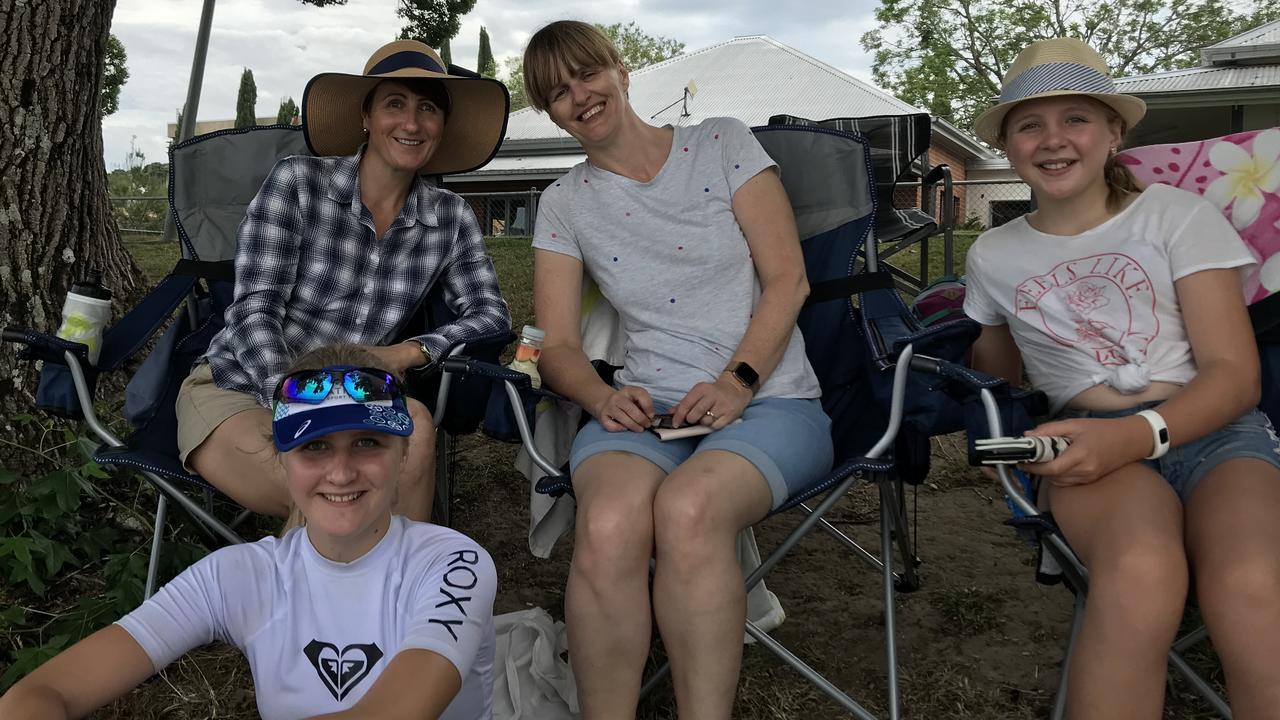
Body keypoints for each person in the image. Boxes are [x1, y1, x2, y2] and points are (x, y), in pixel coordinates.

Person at [522, 20, 833, 719]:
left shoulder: (721, 143)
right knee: (606, 525)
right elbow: (556, 344)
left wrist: (736, 383)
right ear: (550, 111)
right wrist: (601, 398)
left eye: (587, 74)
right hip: (647, 408)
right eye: (558, 91)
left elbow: (788, 281)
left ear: (621, 71)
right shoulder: (564, 204)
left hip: (769, 400)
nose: (580, 95)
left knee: (689, 511)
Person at [965, 37, 1280, 719]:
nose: (1053, 140)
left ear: (1114, 133)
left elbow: (1235, 375)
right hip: (1087, 445)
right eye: (1030, 124)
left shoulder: (1175, 217)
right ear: (1011, 147)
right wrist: (997, 431)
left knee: (1253, 581)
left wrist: (1138, 436)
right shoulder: (993, 255)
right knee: (1142, 570)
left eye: (1076, 118)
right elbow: (995, 380)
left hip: (1214, 429)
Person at [0, 344, 498, 719]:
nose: (341, 473)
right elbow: (39, 695)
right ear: (280, 460)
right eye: (315, 448)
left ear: (404, 455)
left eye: (367, 443)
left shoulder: (453, 562)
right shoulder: (238, 576)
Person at [177, 40, 511, 521]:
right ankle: (333, 589)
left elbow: (490, 313)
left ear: (442, 126)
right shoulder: (298, 183)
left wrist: (408, 352)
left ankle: (398, 591)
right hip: (241, 385)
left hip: (354, 390)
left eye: (428, 108)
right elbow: (254, 312)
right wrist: (295, 399)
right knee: (331, 493)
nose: (412, 123)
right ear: (366, 118)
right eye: (394, 103)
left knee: (414, 427)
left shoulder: (450, 217)